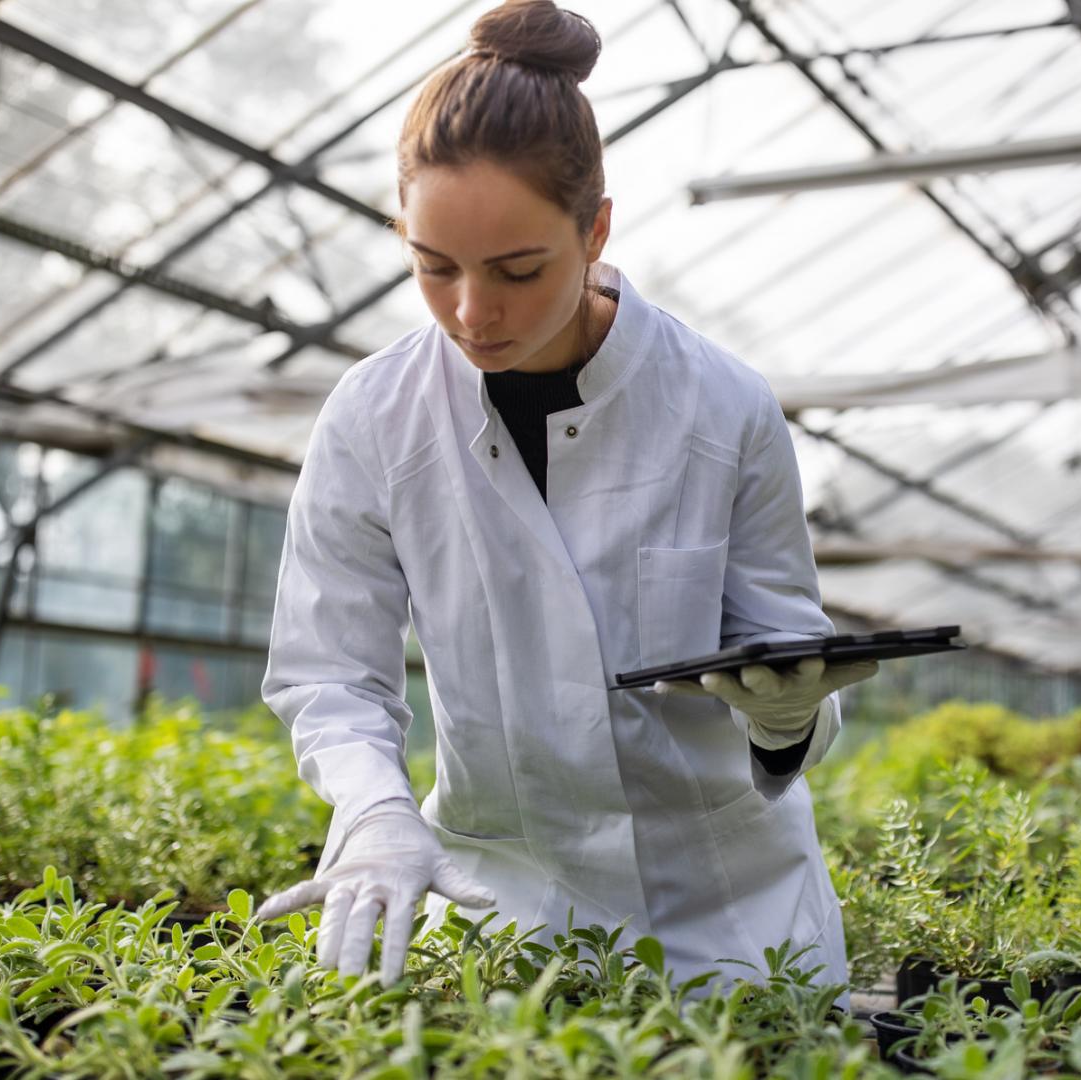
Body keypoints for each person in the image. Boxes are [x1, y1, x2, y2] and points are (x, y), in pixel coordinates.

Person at [253, 0, 876, 991]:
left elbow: (787, 657)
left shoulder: (723, 406)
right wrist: (375, 815)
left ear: (595, 230)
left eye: (517, 269)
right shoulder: (375, 418)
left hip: (731, 916)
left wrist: (788, 709)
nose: (471, 311)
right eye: (432, 266)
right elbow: (330, 677)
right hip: (505, 908)